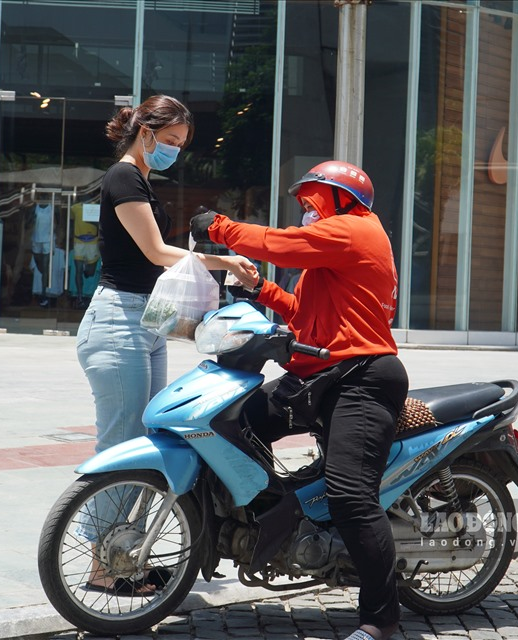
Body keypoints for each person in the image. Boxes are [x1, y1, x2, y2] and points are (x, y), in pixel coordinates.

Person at [191, 160, 408, 640]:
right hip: (315, 375)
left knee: (352, 496)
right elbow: (303, 312)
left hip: (362, 379)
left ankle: (381, 620)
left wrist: (220, 227)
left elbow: (281, 245)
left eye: (314, 200)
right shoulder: (335, 247)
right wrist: (258, 289)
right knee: (228, 425)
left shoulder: (355, 231)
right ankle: (280, 517)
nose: (308, 209)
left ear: (341, 198)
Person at [76, 94, 258, 593]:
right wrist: (227, 261)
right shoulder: (124, 176)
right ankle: (102, 567)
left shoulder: (141, 179)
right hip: (117, 326)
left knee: (146, 444)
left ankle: (120, 559)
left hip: (142, 327)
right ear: (146, 132)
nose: (175, 152)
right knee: (121, 446)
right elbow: (157, 253)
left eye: (181, 145)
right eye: (171, 141)